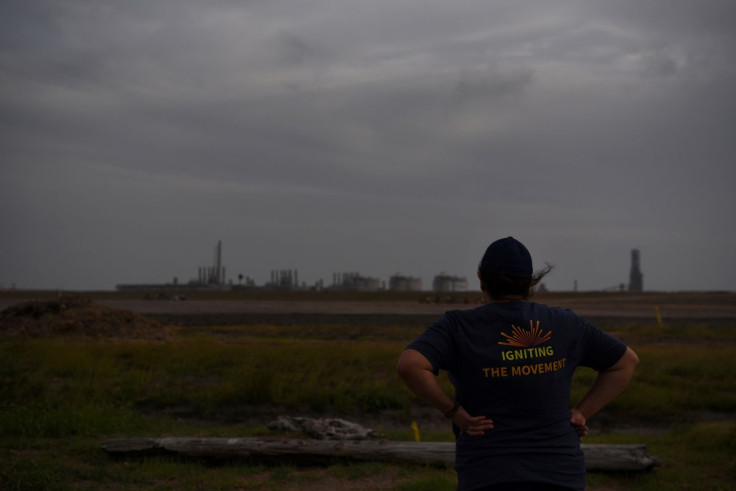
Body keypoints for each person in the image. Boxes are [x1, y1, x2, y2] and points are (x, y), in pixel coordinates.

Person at [397, 237, 639, 490]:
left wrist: (453, 411)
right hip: (559, 472)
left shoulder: (457, 326)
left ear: (481, 279)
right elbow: (625, 362)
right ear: (530, 283)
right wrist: (582, 412)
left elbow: (410, 365)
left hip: (488, 472)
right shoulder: (564, 322)